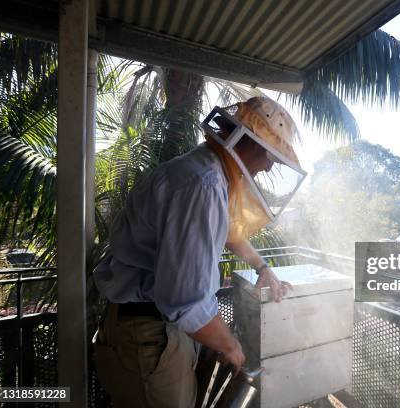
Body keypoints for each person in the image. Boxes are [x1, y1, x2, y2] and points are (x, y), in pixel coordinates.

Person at [93, 97, 302, 407]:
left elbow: (229, 231)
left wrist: (263, 268)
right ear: (252, 144)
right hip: (149, 334)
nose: (271, 165)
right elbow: (186, 301)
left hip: (148, 330)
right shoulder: (202, 186)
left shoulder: (205, 171)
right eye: (271, 155)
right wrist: (231, 346)